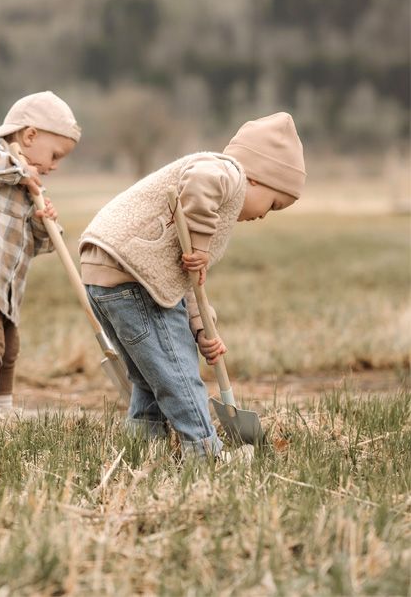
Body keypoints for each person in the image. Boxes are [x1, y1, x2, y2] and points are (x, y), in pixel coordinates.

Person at [79, 112, 305, 460]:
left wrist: (202, 329)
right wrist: (200, 244)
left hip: (106, 275)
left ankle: (144, 447)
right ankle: (205, 453)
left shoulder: (213, 207)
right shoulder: (228, 171)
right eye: (273, 204)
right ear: (257, 179)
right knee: (179, 375)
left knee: (150, 377)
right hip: (131, 277)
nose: (263, 215)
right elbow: (202, 180)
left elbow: (186, 281)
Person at [0, 91, 81, 419]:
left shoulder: (28, 186)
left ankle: (2, 408)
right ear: (30, 135)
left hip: (5, 285)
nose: (54, 166)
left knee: (9, 346)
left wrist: (43, 222)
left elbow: (40, 245)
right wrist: (19, 171)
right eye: (55, 155)